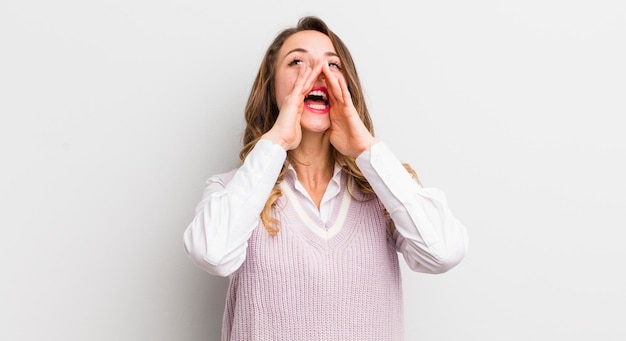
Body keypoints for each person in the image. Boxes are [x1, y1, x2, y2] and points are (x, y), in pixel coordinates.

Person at [183, 16, 469, 340]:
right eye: (297, 62)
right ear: (271, 88)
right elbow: (212, 253)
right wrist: (275, 142)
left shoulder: (383, 189)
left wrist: (364, 147)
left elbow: (443, 252)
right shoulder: (231, 189)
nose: (316, 73)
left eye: (332, 65)